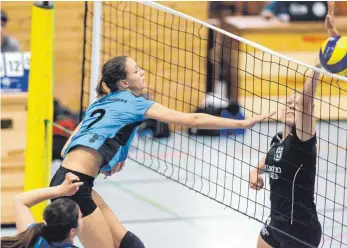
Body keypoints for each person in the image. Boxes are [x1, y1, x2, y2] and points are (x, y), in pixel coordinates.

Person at [49, 53, 275, 247]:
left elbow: (66, 149)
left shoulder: (100, 102)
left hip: (71, 179)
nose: (142, 72)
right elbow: (193, 119)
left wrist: (107, 158)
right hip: (75, 186)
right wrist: (241, 124)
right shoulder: (134, 103)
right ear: (124, 83)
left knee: (130, 244)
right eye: (136, 70)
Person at [249, 2, 338, 247]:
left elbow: (307, 100)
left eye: (295, 104)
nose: (292, 105)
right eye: (288, 103)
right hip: (275, 223)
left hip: (300, 229)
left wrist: (323, 56)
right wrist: (254, 172)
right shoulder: (277, 140)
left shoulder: (303, 140)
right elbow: (267, 161)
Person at [1, 173, 83, 248]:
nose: (82, 219)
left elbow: (20, 200)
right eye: (80, 217)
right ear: (72, 231)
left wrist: (60, 190)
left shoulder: (32, 239)